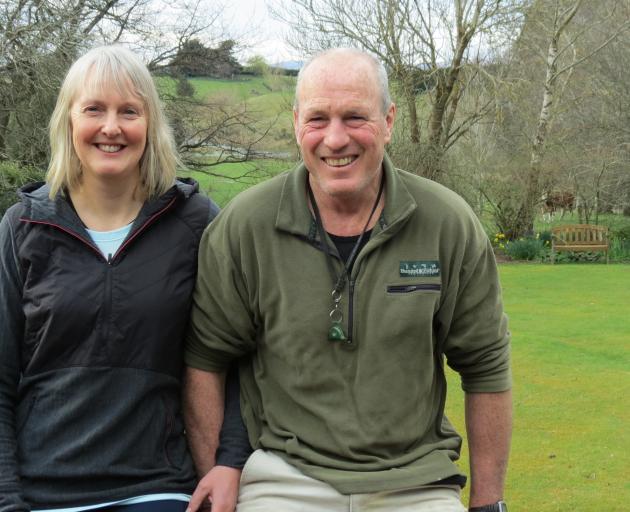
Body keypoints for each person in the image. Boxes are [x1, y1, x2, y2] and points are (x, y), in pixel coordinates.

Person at [183, 47, 512, 512]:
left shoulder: (447, 223)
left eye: (355, 117)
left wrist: (487, 503)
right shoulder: (245, 226)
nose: (335, 139)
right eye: (318, 119)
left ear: (389, 121)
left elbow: (485, 365)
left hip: (416, 483)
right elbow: (206, 357)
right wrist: (215, 467)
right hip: (283, 479)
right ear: (297, 122)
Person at [0, 45, 249, 512]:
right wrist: (7, 499)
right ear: (68, 121)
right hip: (43, 492)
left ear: (150, 124)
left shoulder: (196, 223)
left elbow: (238, 360)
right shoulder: (23, 228)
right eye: (94, 109)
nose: (111, 127)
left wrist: (229, 459)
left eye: (129, 111)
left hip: (158, 486)